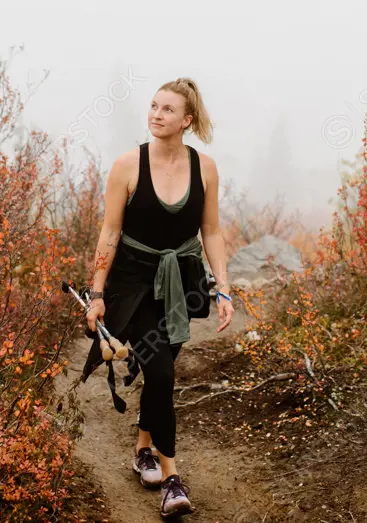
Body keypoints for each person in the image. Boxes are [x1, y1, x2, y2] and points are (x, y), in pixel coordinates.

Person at [79, 77, 235, 519]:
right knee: (162, 372)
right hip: (133, 283)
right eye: (153, 106)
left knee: (158, 370)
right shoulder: (128, 165)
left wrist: (223, 287)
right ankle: (171, 479)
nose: (155, 114)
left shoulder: (205, 167)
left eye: (167, 109)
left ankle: (142, 450)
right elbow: (110, 231)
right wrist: (96, 293)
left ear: (187, 120)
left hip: (182, 283)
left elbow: (212, 231)